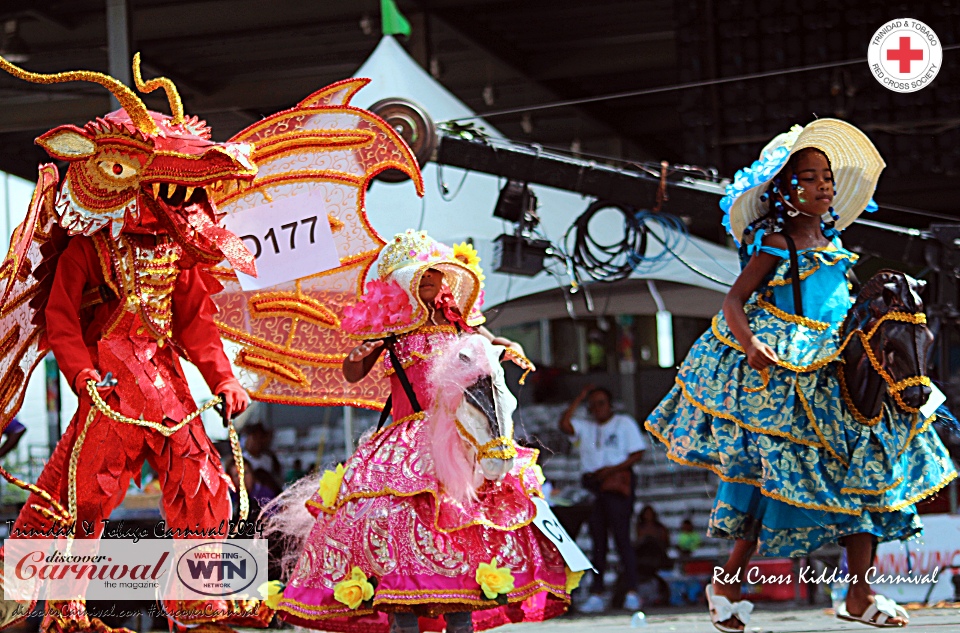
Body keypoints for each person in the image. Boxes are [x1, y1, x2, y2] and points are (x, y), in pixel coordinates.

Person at [645, 119, 957, 632]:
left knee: (864, 471)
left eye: (827, 178)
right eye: (810, 177)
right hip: (791, 371)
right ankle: (725, 586)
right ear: (786, 188)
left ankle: (859, 595)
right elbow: (733, 301)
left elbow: (845, 310)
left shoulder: (835, 242)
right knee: (772, 479)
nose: (823, 186)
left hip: (835, 363)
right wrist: (751, 343)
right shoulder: (777, 243)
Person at [272, 230, 573, 633]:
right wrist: (360, 355)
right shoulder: (392, 331)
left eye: (436, 276)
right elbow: (353, 371)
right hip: (403, 443)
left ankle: (462, 614)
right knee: (396, 525)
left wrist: (508, 348)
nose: (431, 283)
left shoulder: (459, 325)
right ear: (403, 284)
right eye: (422, 277)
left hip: (457, 439)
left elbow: (488, 344)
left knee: (465, 525)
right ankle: (402, 615)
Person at [560, 385, 647, 613]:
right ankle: (598, 592)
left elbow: (637, 453)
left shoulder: (624, 423)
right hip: (592, 484)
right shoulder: (586, 427)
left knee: (621, 538)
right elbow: (564, 425)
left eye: (601, 403)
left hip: (615, 483)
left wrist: (610, 470)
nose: (596, 408)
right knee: (598, 540)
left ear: (610, 405)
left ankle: (632, 591)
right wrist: (579, 397)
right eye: (592, 404)